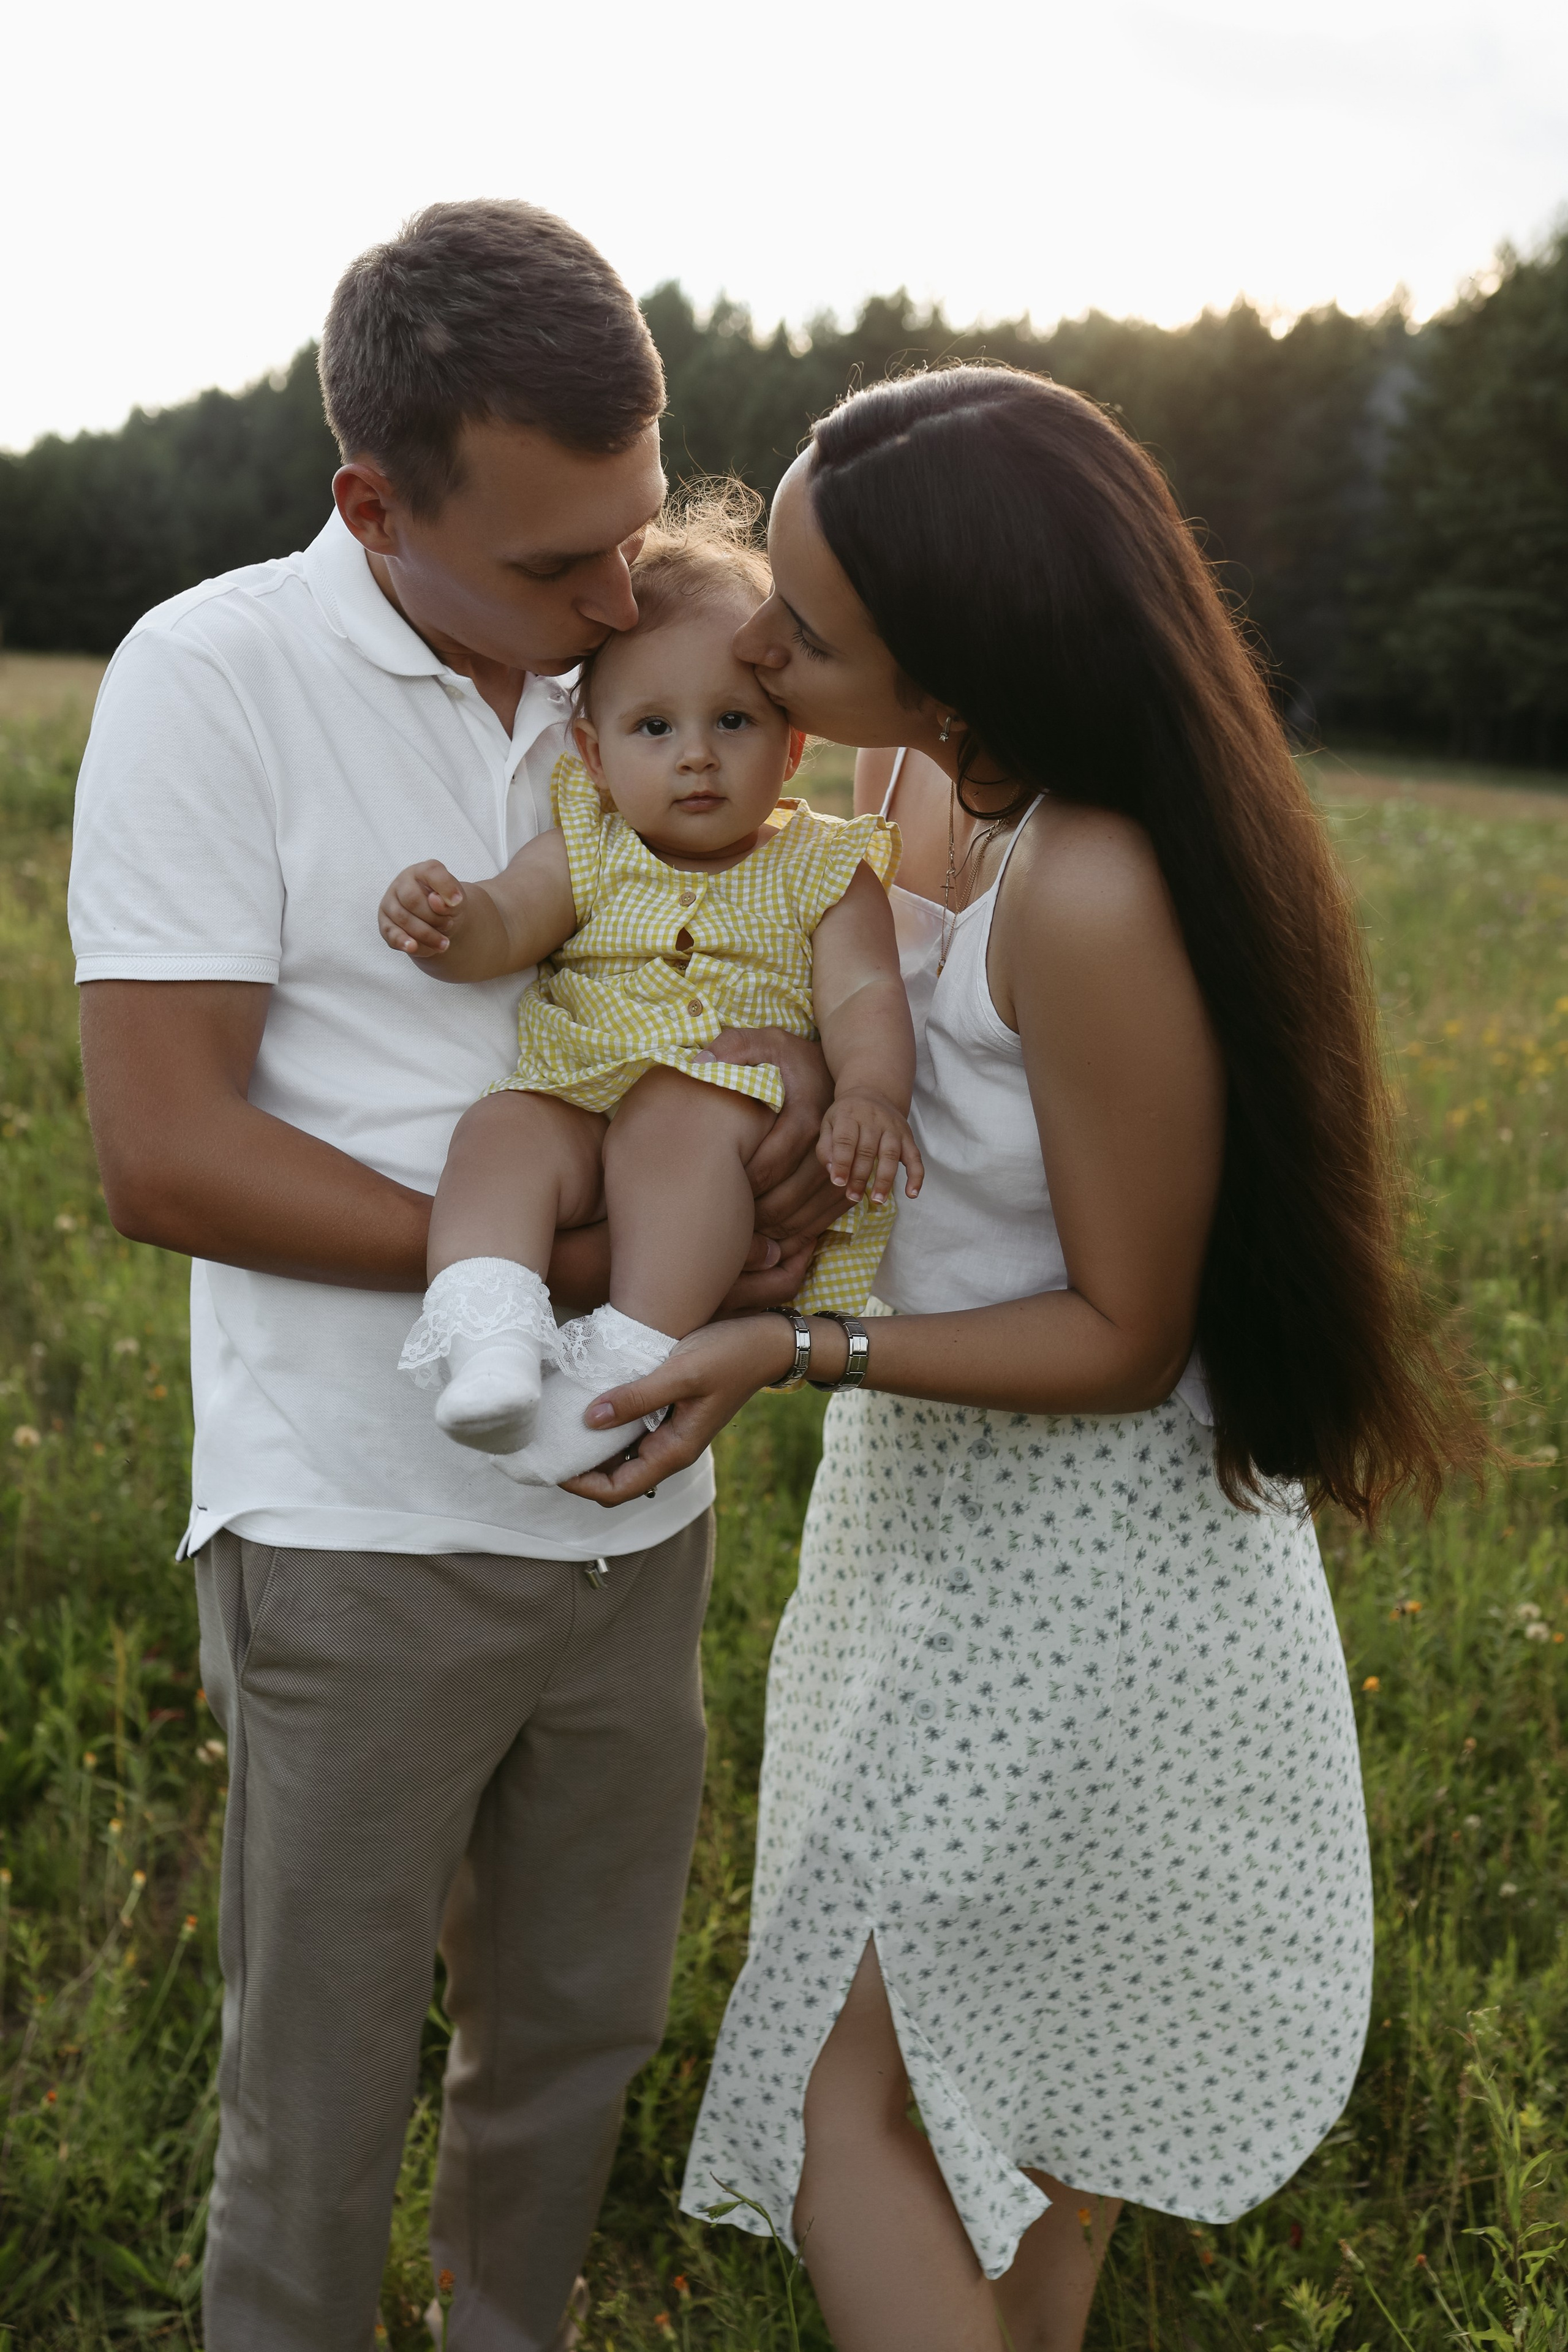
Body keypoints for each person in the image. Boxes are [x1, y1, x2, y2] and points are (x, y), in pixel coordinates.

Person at [560, 368, 1485, 2352]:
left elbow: (1128, 1338)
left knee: (848, 2110)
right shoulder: (920, 789)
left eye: (807, 625)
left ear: (963, 655)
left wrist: (791, 1343)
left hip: (1080, 1566)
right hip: (945, 1518)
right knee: (1020, 2096)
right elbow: (862, 1023)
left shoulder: (1091, 882)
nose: (759, 644)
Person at [66, 200, 838, 2352]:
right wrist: (585, 1253)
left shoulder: (669, 661)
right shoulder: (214, 677)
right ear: (373, 508)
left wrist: (788, 1151)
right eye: (554, 563)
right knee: (318, 2097)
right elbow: (164, 1149)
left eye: (635, 530)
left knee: (577, 2039)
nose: (619, 600)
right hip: (358, 1522)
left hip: (638, 1513)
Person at [377, 494, 918, 1487]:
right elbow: (508, 921)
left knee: (679, 1113)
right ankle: (491, 1336)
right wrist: (447, 925)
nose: (696, 755)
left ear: (793, 747)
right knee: (501, 1130)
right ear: (594, 755)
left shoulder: (821, 866)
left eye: (734, 721)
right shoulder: (590, 842)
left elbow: (865, 998)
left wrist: (872, 1093)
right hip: (579, 1094)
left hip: (719, 1109)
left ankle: (627, 1360)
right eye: (655, 727)